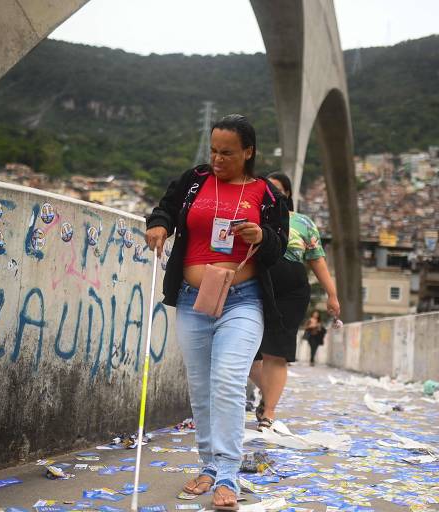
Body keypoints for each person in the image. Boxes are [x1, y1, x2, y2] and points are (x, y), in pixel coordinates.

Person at [145, 114, 288, 510]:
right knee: (202, 387)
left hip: (243, 300)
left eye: (227, 152)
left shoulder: (267, 193)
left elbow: (281, 244)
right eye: (213, 150)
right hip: (193, 299)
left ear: (248, 152)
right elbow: (167, 209)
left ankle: (228, 471)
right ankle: (208, 465)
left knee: (227, 379)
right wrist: (158, 225)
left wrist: (262, 235)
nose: (218, 159)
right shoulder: (195, 180)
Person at [248, 172, 340, 430]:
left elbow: (318, 260)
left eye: (279, 190)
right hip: (253, 286)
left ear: (287, 194)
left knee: (275, 353)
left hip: (291, 292)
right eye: (268, 188)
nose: (273, 193)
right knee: (247, 353)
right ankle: (269, 394)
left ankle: (269, 412)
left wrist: (332, 295)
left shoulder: (302, 222)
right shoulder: (251, 216)